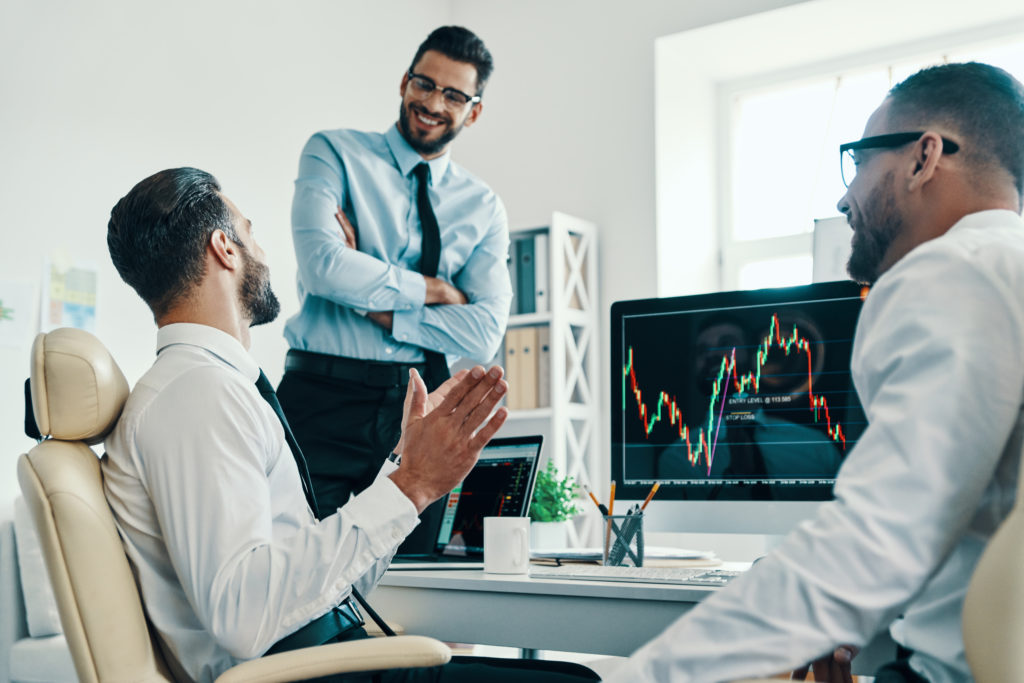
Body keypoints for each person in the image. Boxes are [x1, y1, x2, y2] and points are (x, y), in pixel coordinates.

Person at [607, 61, 1024, 683]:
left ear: (923, 157)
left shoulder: (948, 271)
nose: (843, 195)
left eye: (857, 161)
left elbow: (871, 544)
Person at [102, 167, 597, 683]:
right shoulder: (198, 394)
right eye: (252, 233)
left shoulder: (210, 387)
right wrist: (411, 485)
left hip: (322, 659)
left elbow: (314, 590)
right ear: (225, 248)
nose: (263, 253)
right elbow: (242, 616)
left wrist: (407, 471)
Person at [279, 25, 513, 520]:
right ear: (405, 81)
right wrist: (431, 291)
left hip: (421, 405)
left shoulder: (484, 207)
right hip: (322, 396)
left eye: (453, 94)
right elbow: (322, 267)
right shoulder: (334, 153)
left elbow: (483, 332)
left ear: (474, 110)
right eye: (424, 84)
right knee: (293, 556)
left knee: (417, 574)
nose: (432, 102)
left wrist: (374, 303)